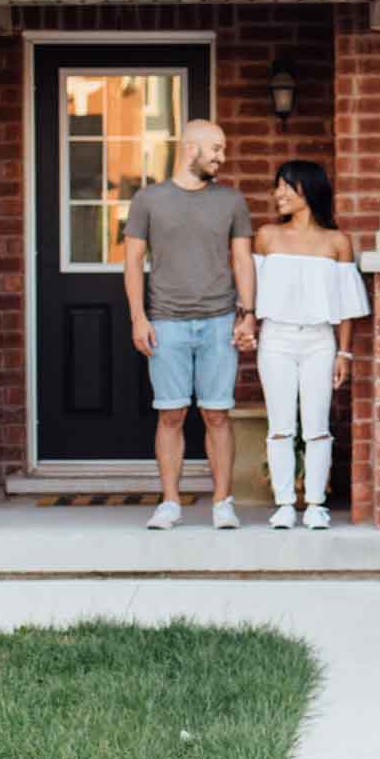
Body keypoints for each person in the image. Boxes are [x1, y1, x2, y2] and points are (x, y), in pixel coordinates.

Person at [123, 118, 256, 534]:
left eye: (223, 148)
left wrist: (247, 313)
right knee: (171, 415)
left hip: (219, 322)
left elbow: (242, 261)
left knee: (217, 414)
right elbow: (131, 263)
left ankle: (222, 504)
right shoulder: (149, 200)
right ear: (190, 148)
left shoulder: (231, 201)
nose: (222, 156)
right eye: (215, 148)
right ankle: (169, 503)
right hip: (166, 322)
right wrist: (138, 317)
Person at [252, 159, 368, 533]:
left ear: (309, 189)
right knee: (281, 427)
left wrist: (344, 353)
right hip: (276, 338)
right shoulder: (267, 236)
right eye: (277, 186)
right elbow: (251, 290)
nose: (278, 194)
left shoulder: (337, 242)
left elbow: (348, 304)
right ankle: (285, 503)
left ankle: (316, 504)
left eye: (287, 186)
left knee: (317, 427)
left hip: (320, 340)